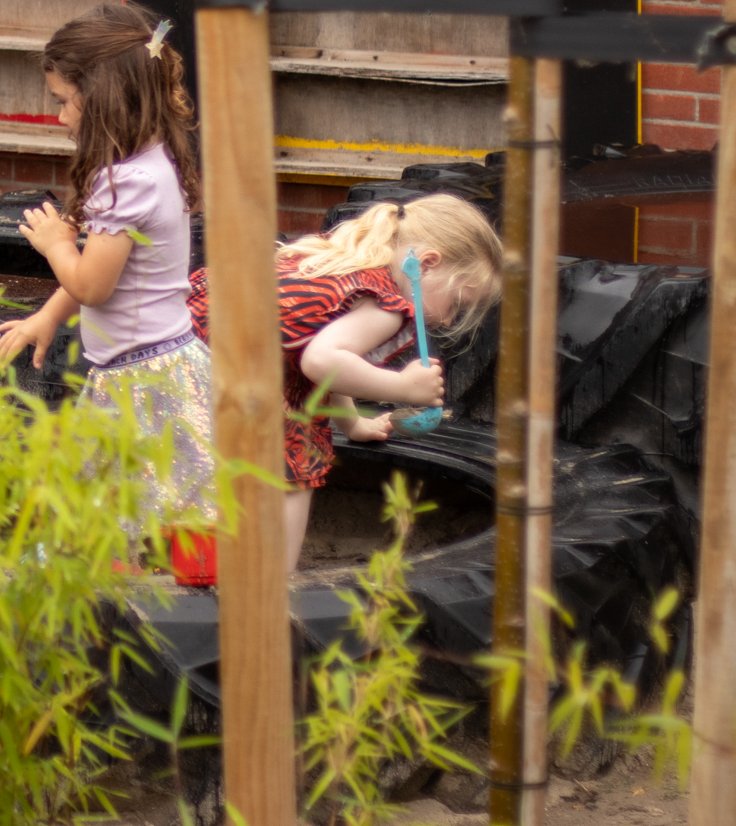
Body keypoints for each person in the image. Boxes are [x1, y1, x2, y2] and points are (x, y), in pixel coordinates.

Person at [0, 2, 217, 561]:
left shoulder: (126, 185)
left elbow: (93, 285)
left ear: (103, 99)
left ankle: (117, 616)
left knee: (109, 526)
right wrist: (47, 317)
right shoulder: (153, 161)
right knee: (131, 516)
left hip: (141, 384)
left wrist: (54, 245)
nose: (60, 117)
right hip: (158, 365)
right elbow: (111, 278)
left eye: (64, 102)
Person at [186, 193, 501, 572]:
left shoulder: (340, 263)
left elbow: (327, 362)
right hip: (235, 376)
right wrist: (403, 388)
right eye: (456, 304)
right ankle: (276, 580)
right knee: (297, 455)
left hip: (189, 363)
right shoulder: (386, 305)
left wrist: (353, 424)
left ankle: (200, 566)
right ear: (428, 265)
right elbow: (321, 361)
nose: (450, 322)